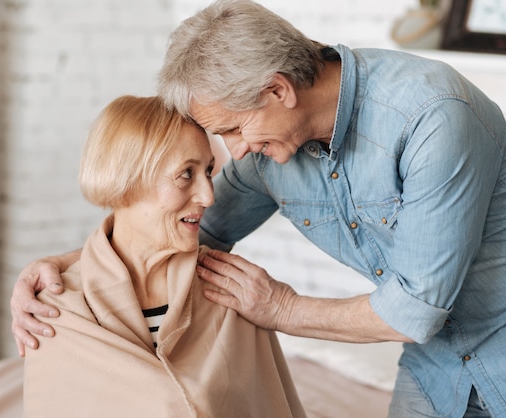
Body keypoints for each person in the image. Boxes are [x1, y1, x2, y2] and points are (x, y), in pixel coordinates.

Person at [12, 1, 506, 417]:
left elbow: (416, 308)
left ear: (278, 89)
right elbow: (186, 228)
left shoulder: (432, 118)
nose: (234, 153)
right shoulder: (270, 151)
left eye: (233, 130)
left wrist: (280, 308)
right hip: (437, 365)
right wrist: (65, 269)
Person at [22, 95, 306, 417]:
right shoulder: (58, 309)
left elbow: (268, 404)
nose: (208, 196)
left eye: (209, 171)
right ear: (126, 179)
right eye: (186, 174)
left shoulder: (233, 289)